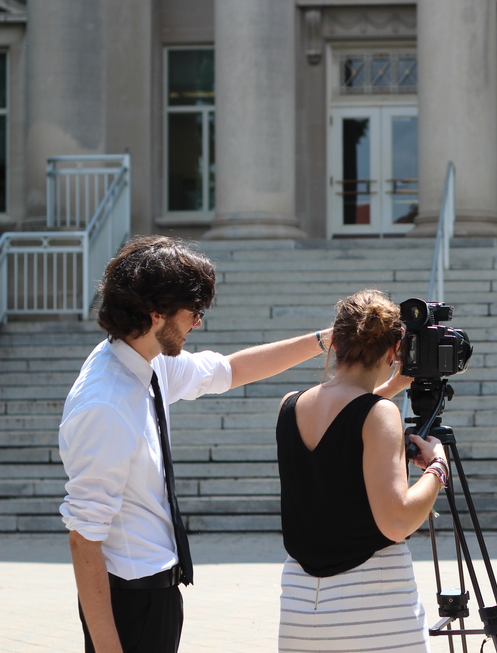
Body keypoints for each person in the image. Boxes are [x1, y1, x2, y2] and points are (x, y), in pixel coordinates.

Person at [58, 235, 365, 653]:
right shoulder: (105, 404)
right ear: (155, 315)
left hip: (156, 592)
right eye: (193, 313)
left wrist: (324, 340)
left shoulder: (143, 360)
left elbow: (229, 370)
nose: (198, 324)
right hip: (128, 601)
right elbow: (84, 538)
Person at [275, 289, 447, 653]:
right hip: (373, 604)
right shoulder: (378, 414)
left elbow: (344, 421)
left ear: (335, 343)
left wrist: (388, 389)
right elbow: (396, 521)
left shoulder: (289, 405)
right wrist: (437, 467)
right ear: (393, 351)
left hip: (300, 605)